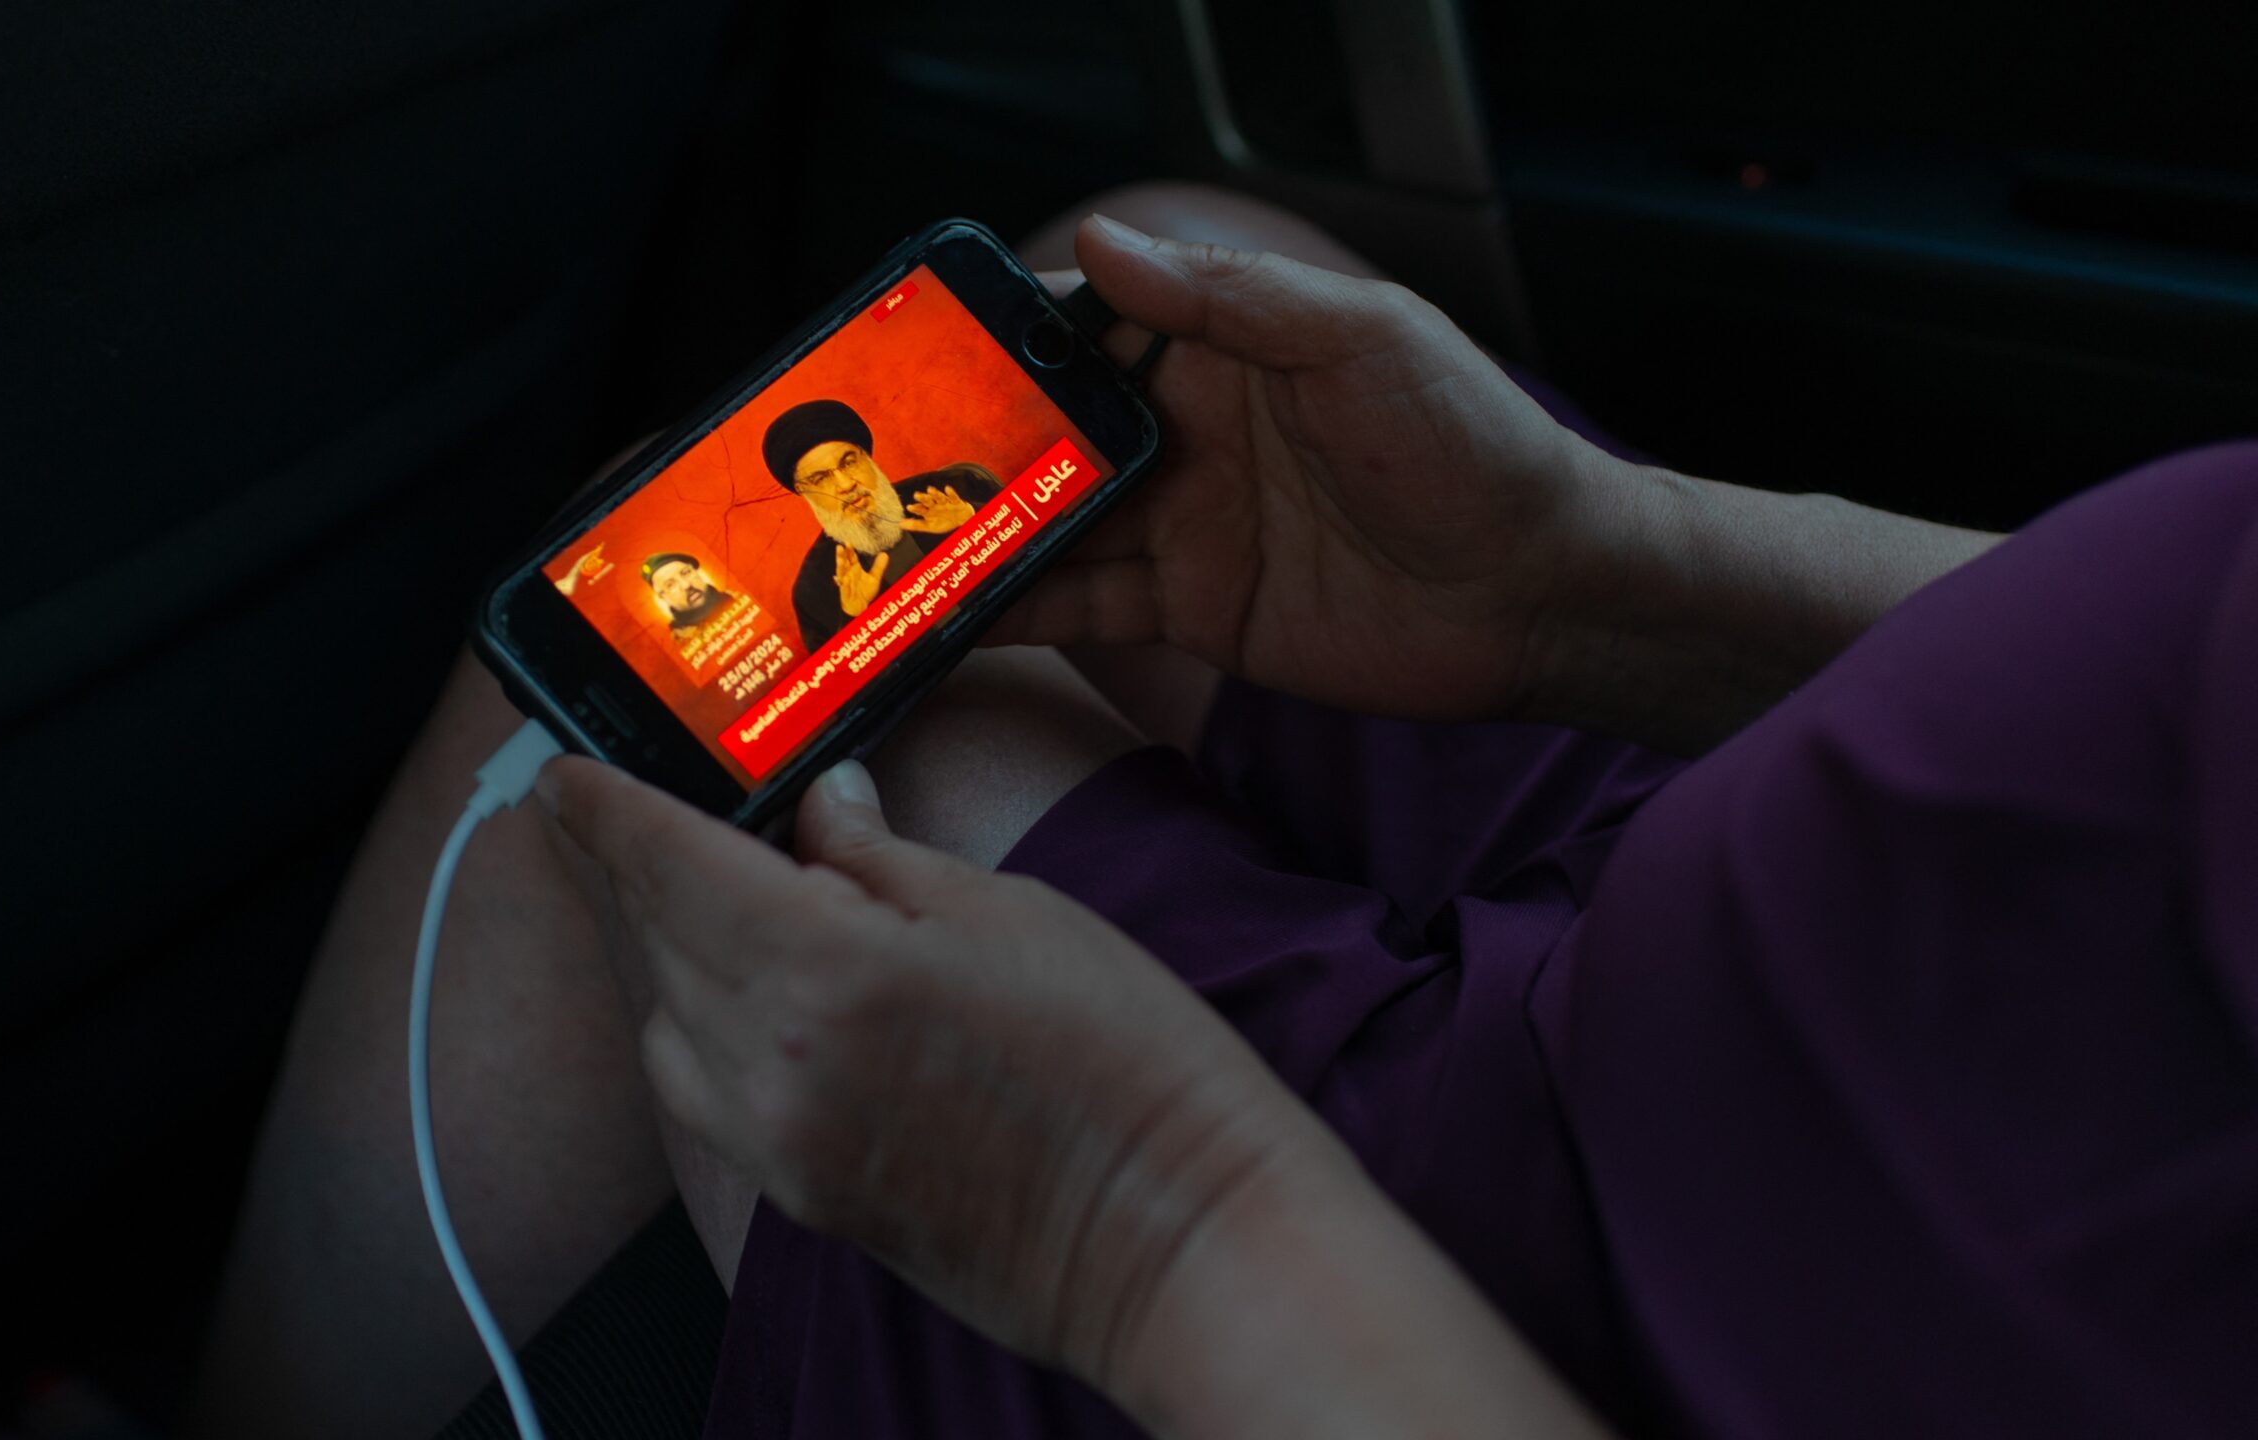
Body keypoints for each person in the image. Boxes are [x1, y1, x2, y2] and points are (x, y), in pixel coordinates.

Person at [192, 186, 2258, 1440]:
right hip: (1925, 948)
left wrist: (1133, 1226)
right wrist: (1606, 580)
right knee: (1180, 296)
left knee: (659, 737)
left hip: (1560, 1324)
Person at [761, 398, 1001, 650]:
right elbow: (850, 682)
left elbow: (1036, 535)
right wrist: (855, 617)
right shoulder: (813, 590)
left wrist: (972, 519)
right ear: (804, 491)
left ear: (867, 457)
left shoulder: (955, 488)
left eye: (849, 462)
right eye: (821, 479)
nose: (845, 485)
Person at [641, 552, 740, 644]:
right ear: (663, 597)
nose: (686, 585)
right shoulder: (680, 640)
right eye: (670, 585)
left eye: (686, 573)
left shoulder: (737, 599)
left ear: (696, 572)